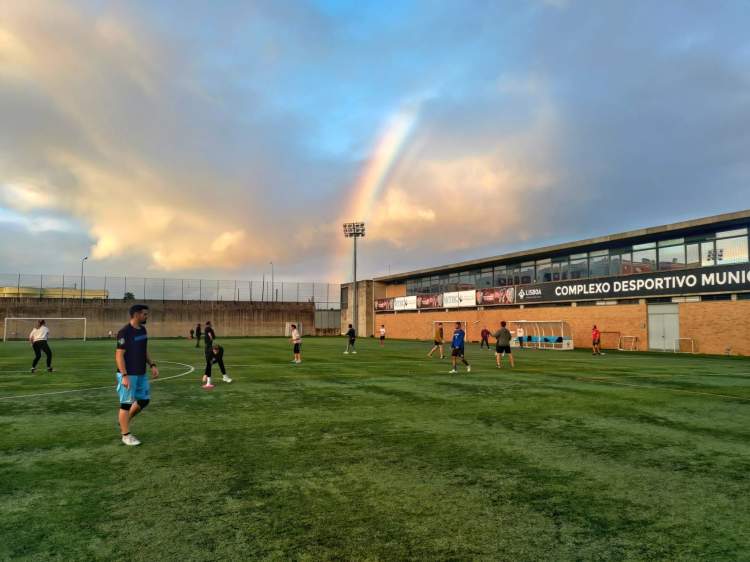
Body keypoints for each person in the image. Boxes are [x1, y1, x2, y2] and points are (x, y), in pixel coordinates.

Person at [115, 304, 159, 446]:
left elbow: (144, 350)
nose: (147, 316)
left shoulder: (143, 330)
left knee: (144, 400)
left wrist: (152, 365)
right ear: (136, 315)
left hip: (141, 373)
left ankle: (125, 421)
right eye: (144, 314)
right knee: (126, 404)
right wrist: (124, 375)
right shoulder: (124, 332)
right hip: (129, 374)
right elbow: (119, 356)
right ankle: (126, 435)